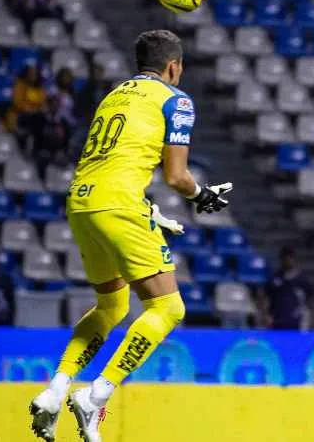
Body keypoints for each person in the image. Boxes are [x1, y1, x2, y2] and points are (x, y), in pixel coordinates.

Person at [28, 30, 233, 442]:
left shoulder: (115, 94)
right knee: (168, 308)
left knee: (111, 305)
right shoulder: (177, 100)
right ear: (174, 66)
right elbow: (177, 177)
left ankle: (56, 389)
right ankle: (96, 395)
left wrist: (149, 212)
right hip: (119, 204)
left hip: (83, 203)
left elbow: (113, 160)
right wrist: (203, 196)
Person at [259, 247, 314, 330]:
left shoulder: (302, 280)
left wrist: (310, 321)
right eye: (285, 258)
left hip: (296, 322)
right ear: (281, 259)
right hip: (276, 322)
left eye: (290, 257)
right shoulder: (275, 278)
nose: (288, 261)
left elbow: (310, 301)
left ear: (294, 259)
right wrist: (265, 315)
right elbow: (263, 296)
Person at [6, 65, 48, 152]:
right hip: (20, 117)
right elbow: (17, 103)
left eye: (34, 74)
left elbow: (43, 104)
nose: (32, 76)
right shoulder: (19, 85)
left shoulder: (40, 88)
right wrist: (31, 109)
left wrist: (38, 109)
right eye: (30, 74)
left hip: (36, 117)